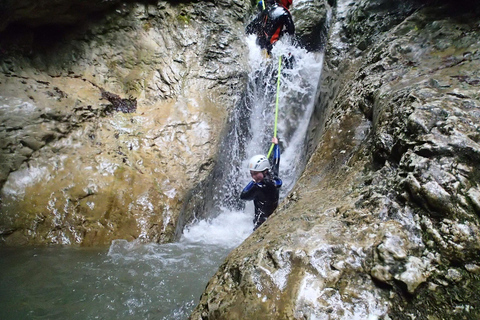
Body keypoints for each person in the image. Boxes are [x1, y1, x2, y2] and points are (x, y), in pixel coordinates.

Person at [240, 137, 282, 230]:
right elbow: (276, 160)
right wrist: (276, 146)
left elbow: (243, 196)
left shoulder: (259, 187)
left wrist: (252, 183)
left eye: (255, 174)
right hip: (265, 218)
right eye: (252, 174)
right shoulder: (272, 176)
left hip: (262, 222)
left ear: (264, 171)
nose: (253, 177)